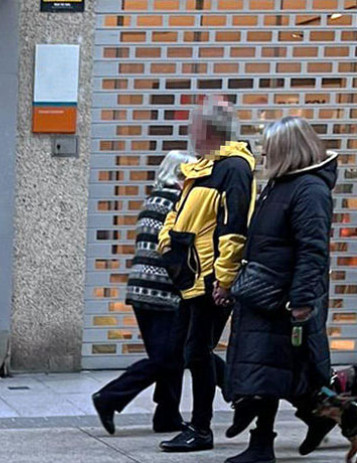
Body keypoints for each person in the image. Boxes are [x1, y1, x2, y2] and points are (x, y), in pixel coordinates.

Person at [224, 117, 336, 463]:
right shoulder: (279, 185)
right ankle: (329, 417)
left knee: (271, 373)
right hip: (264, 295)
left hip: (285, 300)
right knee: (271, 371)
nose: (264, 153)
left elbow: (312, 250)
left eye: (270, 147)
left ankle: (262, 446)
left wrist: (301, 301)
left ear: (288, 149)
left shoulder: (309, 190)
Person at [158, 96, 256, 452]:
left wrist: (224, 279)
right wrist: (166, 241)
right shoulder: (204, 166)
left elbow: (233, 229)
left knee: (197, 353)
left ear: (208, 131)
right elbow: (179, 210)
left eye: (193, 127)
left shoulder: (233, 168)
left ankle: (202, 429)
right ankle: (241, 398)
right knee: (189, 351)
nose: (189, 133)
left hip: (210, 281)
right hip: (192, 277)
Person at [91, 150, 196, 435]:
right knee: (167, 358)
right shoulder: (177, 203)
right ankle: (109, 397)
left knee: (169, 357)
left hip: (141, 290)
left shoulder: (153, 200)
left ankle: (167, 416)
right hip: (163, 292)